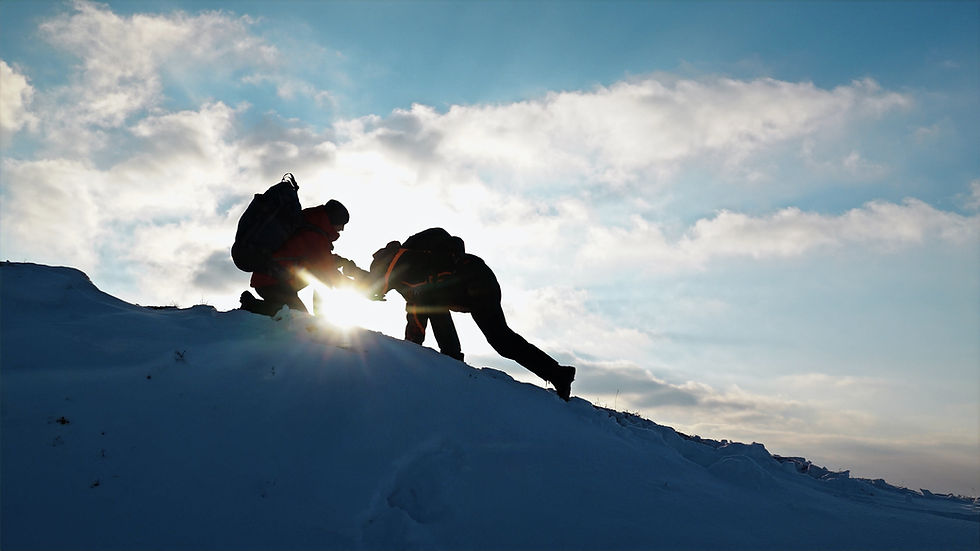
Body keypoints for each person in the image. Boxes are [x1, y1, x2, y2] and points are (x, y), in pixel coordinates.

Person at [367, 228, 576, 401]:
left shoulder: (405, 268)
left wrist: (411, 349)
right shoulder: (413, 262)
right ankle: (558, 373)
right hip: (479, 276)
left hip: (472, 282)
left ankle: (452, 360)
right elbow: (418, 311)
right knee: (501, 339)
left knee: (434, 304)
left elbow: (418, 313)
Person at [240, 199, 364, 316]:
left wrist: (343, 263)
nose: (342, 229)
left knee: (298, 314)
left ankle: (255, 304)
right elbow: (329, 271)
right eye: (341, 224)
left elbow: (325, 262)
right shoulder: (314, 234)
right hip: (271, 282)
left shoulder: (310, 225)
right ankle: (252, 305)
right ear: (333, 220)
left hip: (274, 278)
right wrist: (362, 289)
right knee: (298, 317)